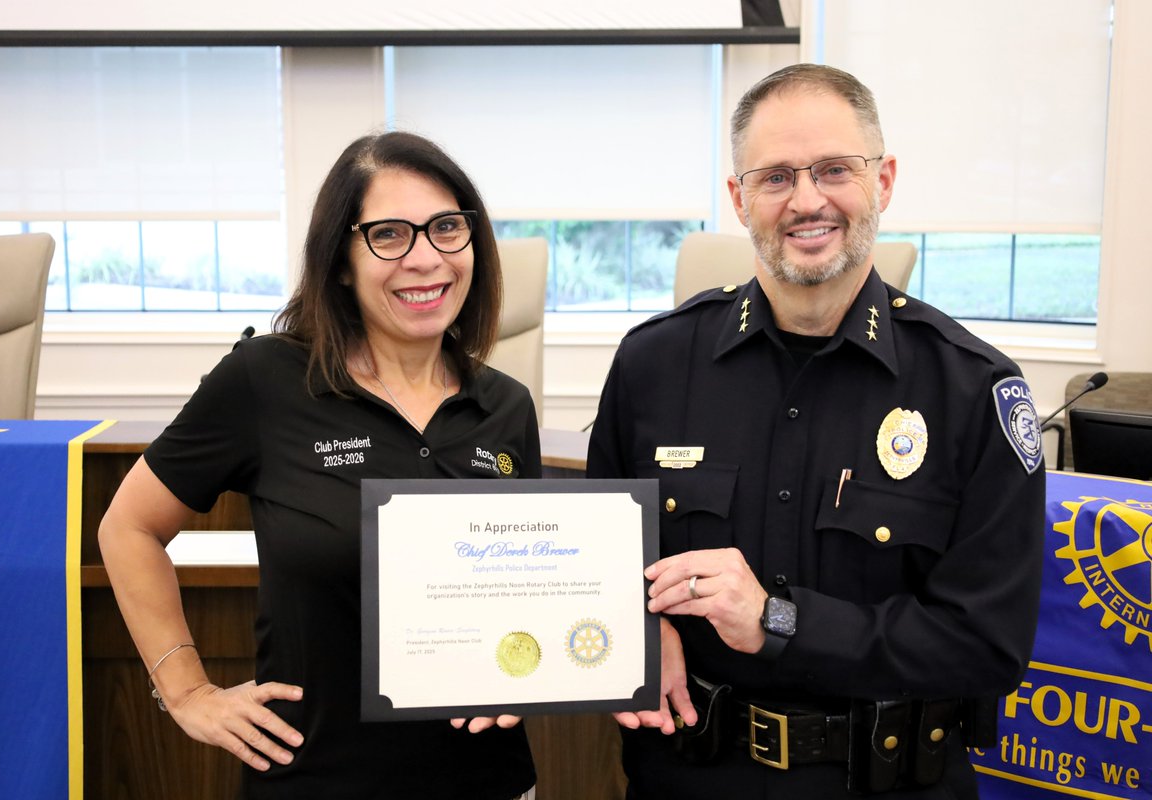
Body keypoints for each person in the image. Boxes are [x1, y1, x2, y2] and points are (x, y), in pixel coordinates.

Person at [587, 64, 1044, 798]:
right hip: (692, 773)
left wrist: (777, 621)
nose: (806, 201)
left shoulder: (972, 390)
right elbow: (598, 565)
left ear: (884, 181)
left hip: (889, 782)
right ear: (739, 199)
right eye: (774, 178)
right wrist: (641, 633)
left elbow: (986, 646)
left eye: (835, 169)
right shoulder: (654, 366)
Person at [98, 131, 539, 799]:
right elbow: (127, 529)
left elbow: (526, 589)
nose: (426, 259)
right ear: (339, 260)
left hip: (488, 780)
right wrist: (185, 690)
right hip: (316, 779)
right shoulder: (265, 380)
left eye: (448, 228)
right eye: (390, 235)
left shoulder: (506, 406)